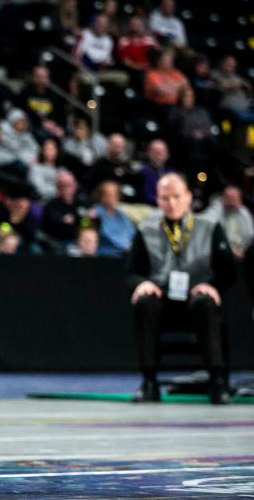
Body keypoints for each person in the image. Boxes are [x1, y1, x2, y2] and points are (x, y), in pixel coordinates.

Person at [128, 173, 236, 404]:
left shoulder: (210, 226)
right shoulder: (145, 229)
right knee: (144, 302)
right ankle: (149, 382)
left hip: (196, 296)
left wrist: (212, 285)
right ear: (157, 199)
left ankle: (217, 380)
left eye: (176, 197)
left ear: (188, 198)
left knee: (205, 303)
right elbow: (132, 271)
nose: (171, 203)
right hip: (163, 297)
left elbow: (229, 272)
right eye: (165, 198)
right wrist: (141, 283)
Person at [202, 186, 254, 260]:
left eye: (234, 199)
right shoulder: (216, 209)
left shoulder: (244, 212)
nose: (232, 203)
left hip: (241, 251)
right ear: (223, 198)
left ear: (240, 200)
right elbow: (207, 221)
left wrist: (243, 250)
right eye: (229, 199)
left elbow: (250, 234)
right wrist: (231, 250)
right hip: (220, 251)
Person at [93, 180, 136, 257]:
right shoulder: (95, 213)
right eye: (109, 195)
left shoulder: (121, 214)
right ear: (102, 197)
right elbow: (107, 236)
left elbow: (132, 233)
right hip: (107, 254)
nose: (113, 198)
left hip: (127, 252)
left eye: (115, 195)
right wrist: (126, 247)